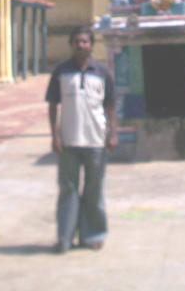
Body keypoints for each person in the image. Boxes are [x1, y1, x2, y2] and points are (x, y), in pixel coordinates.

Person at [45, 25, 117, 253]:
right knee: (68, 189)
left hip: (96, 140)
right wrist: (54, 135)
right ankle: (65, 237)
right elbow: (53, 105)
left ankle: (92, 235)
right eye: (77, 41)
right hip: (68, 142)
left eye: (85, 41)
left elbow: (111, 106)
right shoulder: (61, 72)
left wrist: (112, 133)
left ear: (91, 45)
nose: (81, 45)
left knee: (94, 190)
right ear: (71, 44)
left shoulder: (102, 72)